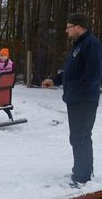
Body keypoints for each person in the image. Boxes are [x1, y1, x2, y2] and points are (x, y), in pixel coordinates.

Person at [42, 12, 102, 185]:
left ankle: (82, 177)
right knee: (77, 136)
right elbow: (71, 72)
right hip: (75, 98)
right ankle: (82, 170)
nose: (66, 31)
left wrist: (75, 90)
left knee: (81, 136)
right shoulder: (78, 45)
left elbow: (93, 74)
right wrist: (55, 79)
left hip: (84, 99)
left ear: (77, 27)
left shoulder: (91, 44)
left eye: (68, 27)